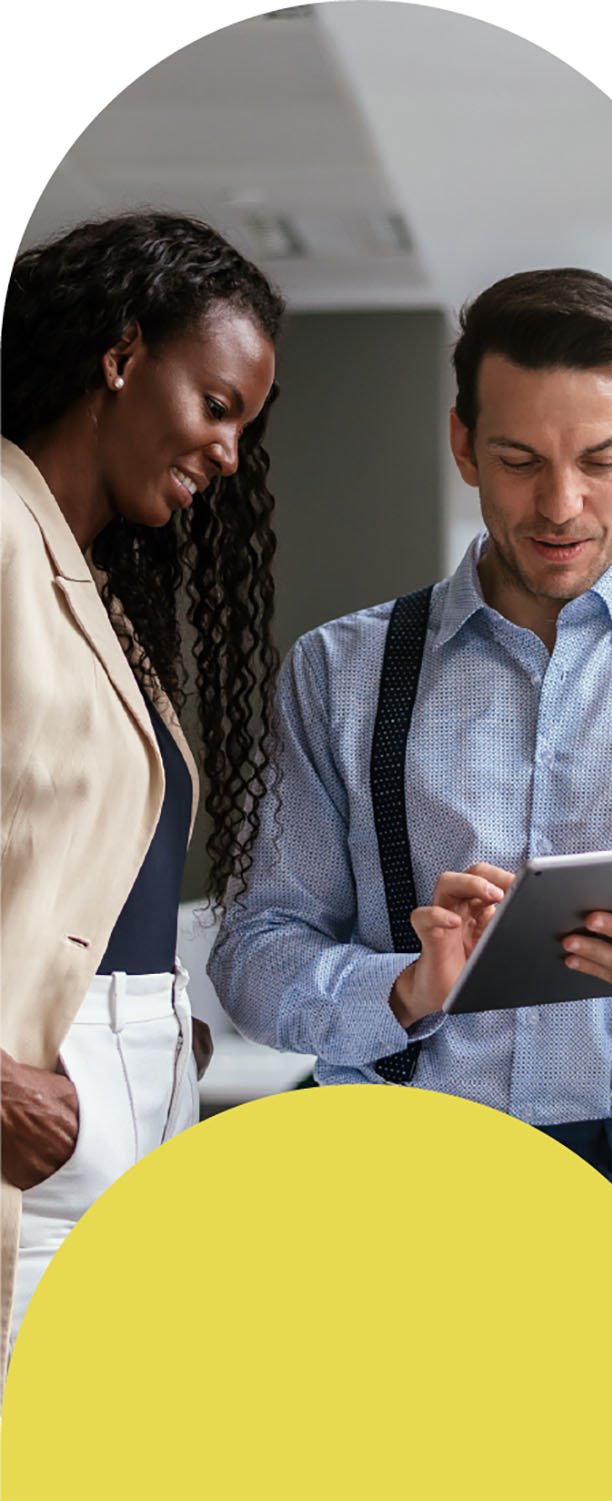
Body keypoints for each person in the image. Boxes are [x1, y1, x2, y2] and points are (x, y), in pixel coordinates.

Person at [209, 267, 612, 1389]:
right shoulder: (339, 672)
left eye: (596, 460)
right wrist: (403, 991)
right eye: (517, 461)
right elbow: (254, 955)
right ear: (458, 442)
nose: (558, 508)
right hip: (396, 1196)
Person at [0, 210, 283, 1378]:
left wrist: (157, 1031)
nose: (227, 454)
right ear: (120, 359)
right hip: (35, 1132)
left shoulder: (96, 582)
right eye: (215, 407)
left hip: (145, 1109)